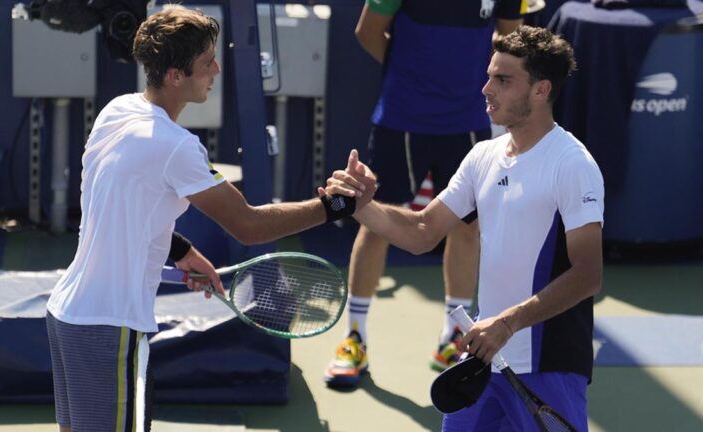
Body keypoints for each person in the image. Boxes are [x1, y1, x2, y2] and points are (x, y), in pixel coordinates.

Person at [44, 6, 377, 432]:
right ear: (175, 76)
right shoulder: (177, 147)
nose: (216, 69)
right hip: (110, 328)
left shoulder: (118, 112)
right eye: (206, 63)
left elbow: (124, 211)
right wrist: (334, 206)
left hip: (67, 317)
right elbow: (249, 225)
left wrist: (182, 251)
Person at [325, 26, 603, 430]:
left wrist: (507, 323)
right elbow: (422, 231)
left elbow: (588, 274)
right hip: (484, 361)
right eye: (489, 75)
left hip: (549, 364)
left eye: (503, 80)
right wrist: (360, 207)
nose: (486, 88)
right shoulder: (482, 156)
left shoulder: (573, 165)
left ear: (541, 90)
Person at [324, 0, 525, 388]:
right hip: (402, 119)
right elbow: (367, 31)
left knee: (467, 228)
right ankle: (355, 339)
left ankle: (453, 337)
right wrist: (409, 73)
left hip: (468, 121)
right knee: (377, 222)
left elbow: (509, 38)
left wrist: (476, 83)